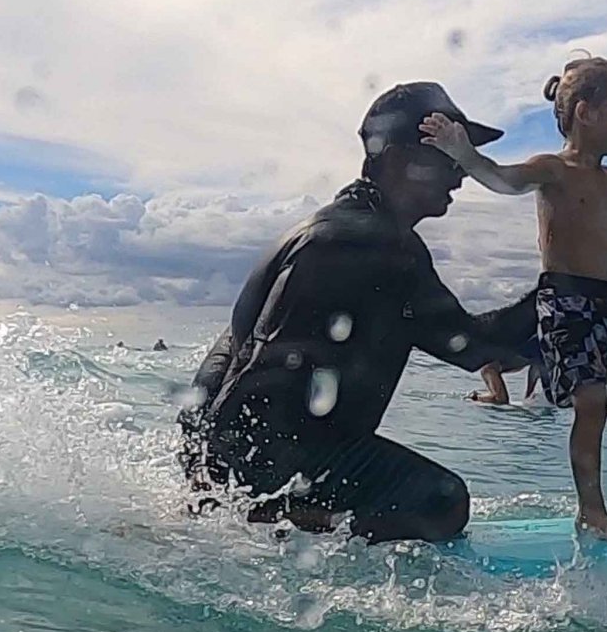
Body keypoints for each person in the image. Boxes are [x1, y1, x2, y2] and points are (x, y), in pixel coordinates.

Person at [179, 82, 536, 544]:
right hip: (273, 460)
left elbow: (224, 358)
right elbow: (485, 350)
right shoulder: (375, 245)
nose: (461, 173)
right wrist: (569, 290)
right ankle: (271, 522)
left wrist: (202, 477)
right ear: (397, 160)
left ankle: (239, 515)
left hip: (232, 450)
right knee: (442, 502)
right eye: (450, 155)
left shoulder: (328, 229)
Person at [420, 56, 607, 541]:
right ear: (585, 113)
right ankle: (591, 512)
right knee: (590, 406)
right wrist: (464, 155)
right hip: (566, 302)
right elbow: (501, 178)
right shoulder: (552, 169)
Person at [469, 337, 544, 405]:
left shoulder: (488, 369)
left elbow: (502, 401)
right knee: (487, 370)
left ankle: (477, 398)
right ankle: (477, 397)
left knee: (487, 370)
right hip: (527, 350)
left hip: (521, 352)